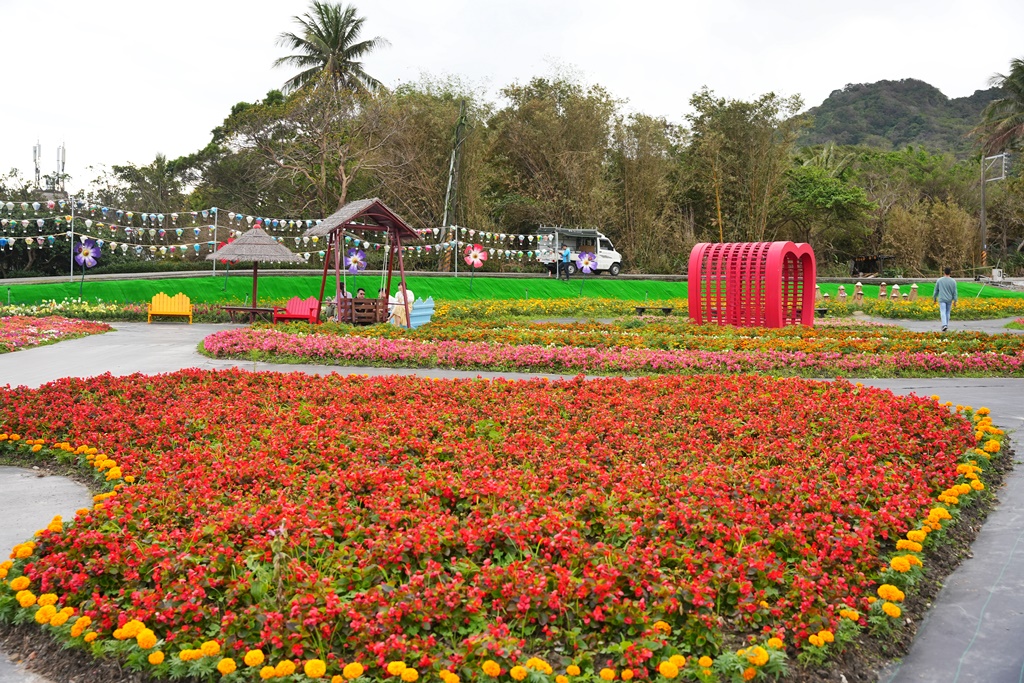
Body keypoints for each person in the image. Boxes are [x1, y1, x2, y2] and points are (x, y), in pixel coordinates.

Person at [933, 267, 958, 332]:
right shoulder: (953, 281)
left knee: (943, 311)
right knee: (947, 312)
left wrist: (934, 298)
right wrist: (955, 300)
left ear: (944, 272)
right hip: (949, 299)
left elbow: (936, 290)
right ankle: (946, 324)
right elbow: (955, 292)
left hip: (942, 299)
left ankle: (944, 325)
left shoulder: (939, 280)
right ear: (950, 273)